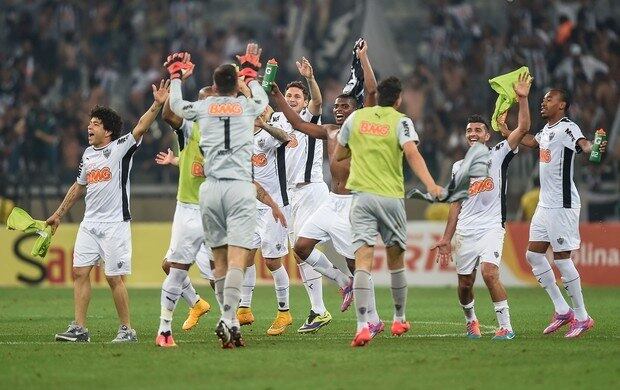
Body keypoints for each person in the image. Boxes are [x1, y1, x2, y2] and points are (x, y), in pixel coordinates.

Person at [270, 39, 385, 335]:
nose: (338, 109)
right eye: (336, 106)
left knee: (355, 261)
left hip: (351, 204)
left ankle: (372, 318)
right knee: (301, 247)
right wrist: (278, 96)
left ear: (356, 109)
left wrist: (363, 58)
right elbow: (296, 123)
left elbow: (371, 91)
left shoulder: (362, 127)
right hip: (331, 201)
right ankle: (342, 282)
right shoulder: (330, 131)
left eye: (344, 105)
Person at [48, 80, 170, 343]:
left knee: (114, 277)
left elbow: (141, 126)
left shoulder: (121, 148)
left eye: (95, 124)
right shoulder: (88, 155)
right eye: (90, 123)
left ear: (109, 131)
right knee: (80, 272)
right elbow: (78, 187)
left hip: (115, 223)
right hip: (90, 223)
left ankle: (127, 330)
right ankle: (79, 329)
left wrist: (157, 104)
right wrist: (58, 214)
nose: (89, 127)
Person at [167, 45, 268, 348]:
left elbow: (175, 106)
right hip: (239, 187)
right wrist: (250, 74)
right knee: (238, 259)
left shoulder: (202, 109)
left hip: (209, 190)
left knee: (219, 261)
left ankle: (232, 321)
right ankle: (228, 317)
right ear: (235, 84)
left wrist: (175, 76)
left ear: (213, 86)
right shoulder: (247, 107)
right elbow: (261, 100)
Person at [335, 76, 443, 347]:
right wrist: (430, 184)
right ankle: (398, 318)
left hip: (360, 198)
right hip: (390, 199)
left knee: (362, 261)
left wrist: (362, 150)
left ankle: (362, 326)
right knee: (396, 262)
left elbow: (338, 155)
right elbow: (411, 153)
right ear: (398, 99)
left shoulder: (355, 118)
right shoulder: (401, 121)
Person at [431, 72, 533, 340]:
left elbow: (522, 129)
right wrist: (446, 238)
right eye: (469, 131)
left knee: (489, 273)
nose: (473, 134)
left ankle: (507, 327)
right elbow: (456, 206)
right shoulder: (458, 168)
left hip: (491, 226)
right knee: (465, 284)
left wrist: (522, 99)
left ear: (487, 135)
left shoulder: (498, 154)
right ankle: (471, 320)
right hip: (465, 230)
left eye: (477, 130)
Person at [501, 88, 606, 338]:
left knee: (561, 259)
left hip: (563, 203)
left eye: (549, 99)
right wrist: (507, 131)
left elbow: (585, 145)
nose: (543, 102)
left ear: (562, 105)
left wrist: (596, 148)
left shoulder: (568, 128)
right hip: (545, 204)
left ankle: (582, 317)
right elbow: (531, 142)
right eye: (543, 99)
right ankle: (562, 310)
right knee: (533, 256)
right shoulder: (546, 130)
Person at [239, 56, 330, 333]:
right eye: (288, 95)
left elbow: (318, 101)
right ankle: (319, 308)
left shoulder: (307, 117)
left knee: (302, 251)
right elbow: (257, 104)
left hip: (310, 188)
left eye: (296, 96)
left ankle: (341, 286)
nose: (291, 99)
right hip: (288, 194)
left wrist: (310, 79)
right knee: (301, 253)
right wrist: (246, 76)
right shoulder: (276, 117)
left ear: (303, 102)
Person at [153, 83, 215, 347]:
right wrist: (175, 80)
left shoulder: (231, 129)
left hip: (217, 209)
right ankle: (165, 330)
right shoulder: (191, 128)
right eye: (200, 101)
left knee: (221, 272)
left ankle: (230, 322)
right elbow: (169, 116)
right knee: (173, 268)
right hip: (189, 208)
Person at [238, 105, 294, 335]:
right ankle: (244, 309)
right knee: (246, 256)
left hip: (276, 205)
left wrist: (264, 125)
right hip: (251, 205)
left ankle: (284, 312)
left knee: (271, 261)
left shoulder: (270, 130)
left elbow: (286, 137)